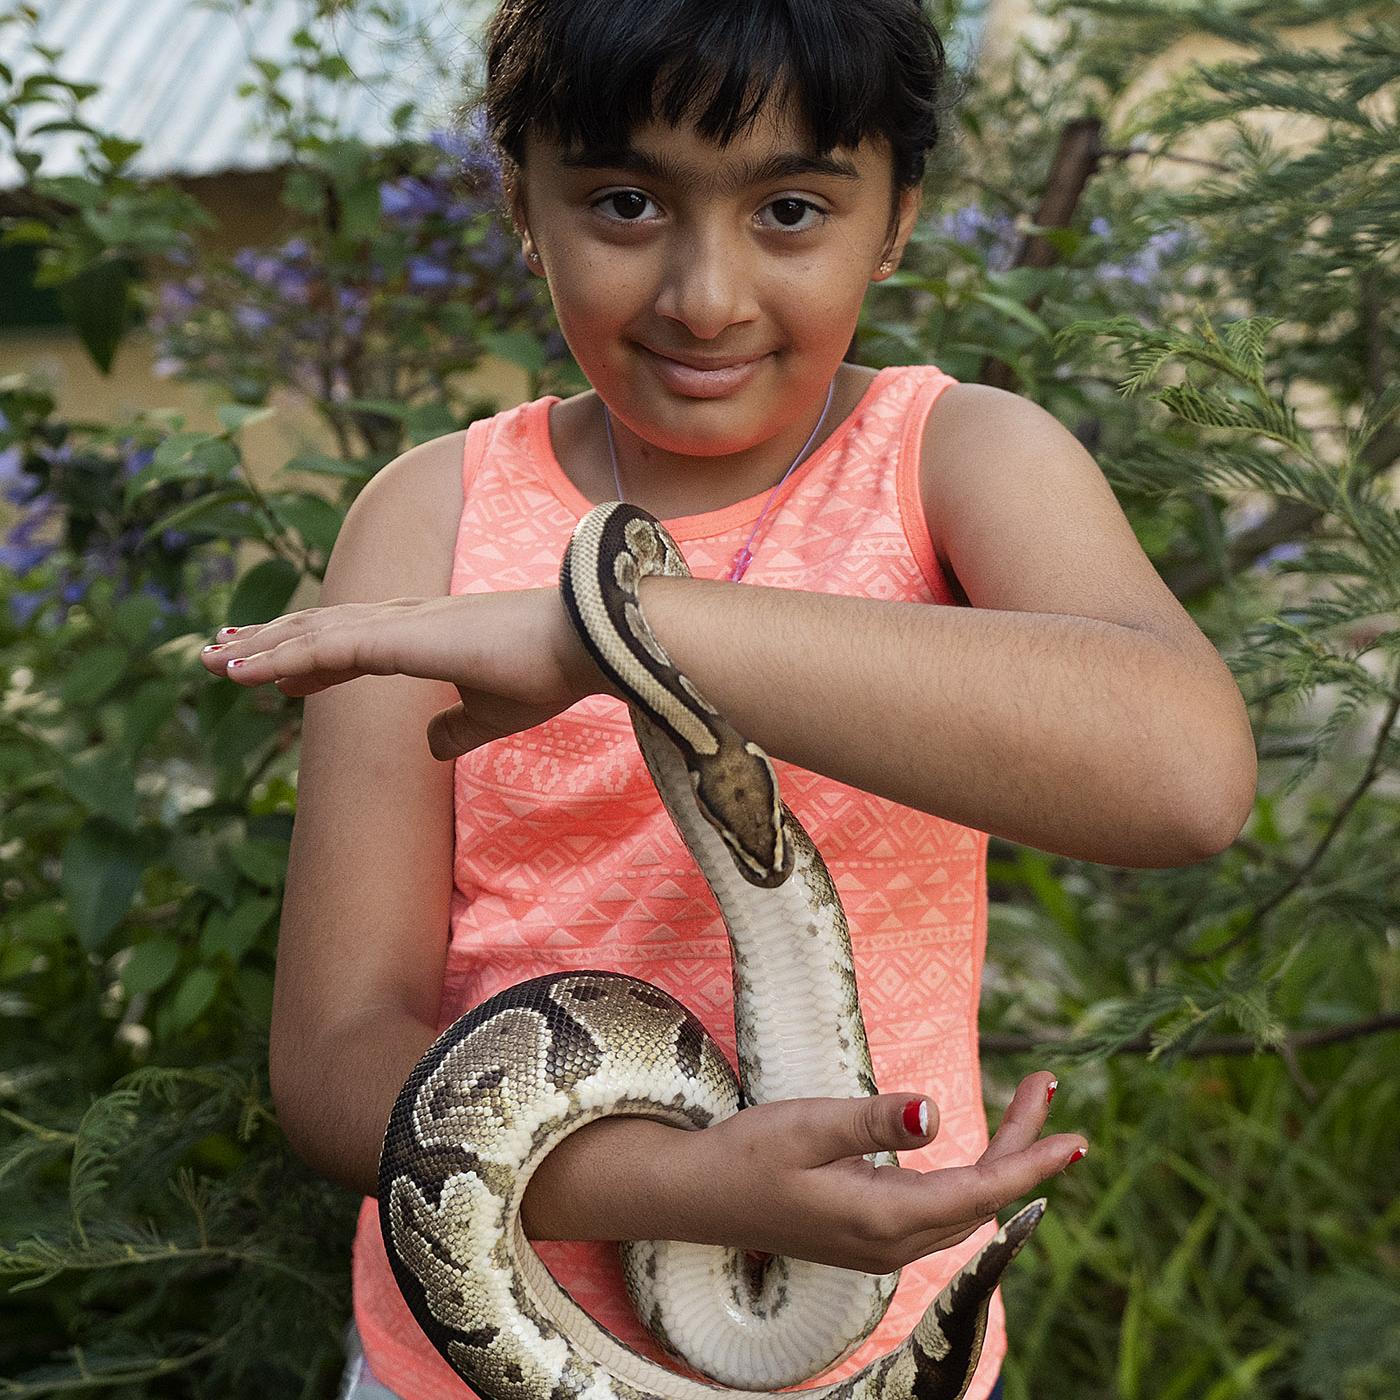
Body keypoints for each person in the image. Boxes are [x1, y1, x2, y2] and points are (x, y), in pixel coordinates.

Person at [200, 1, 1257, 1397]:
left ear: (895, 221)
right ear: (523, 203)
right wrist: (693, 1187)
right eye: (626, 201)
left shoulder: (958, 467)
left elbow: (1185, 779)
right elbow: (336, 1064)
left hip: (880, 1363)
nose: (706, 293)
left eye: (794, 209)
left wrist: (603, 633)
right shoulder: (428, 524)